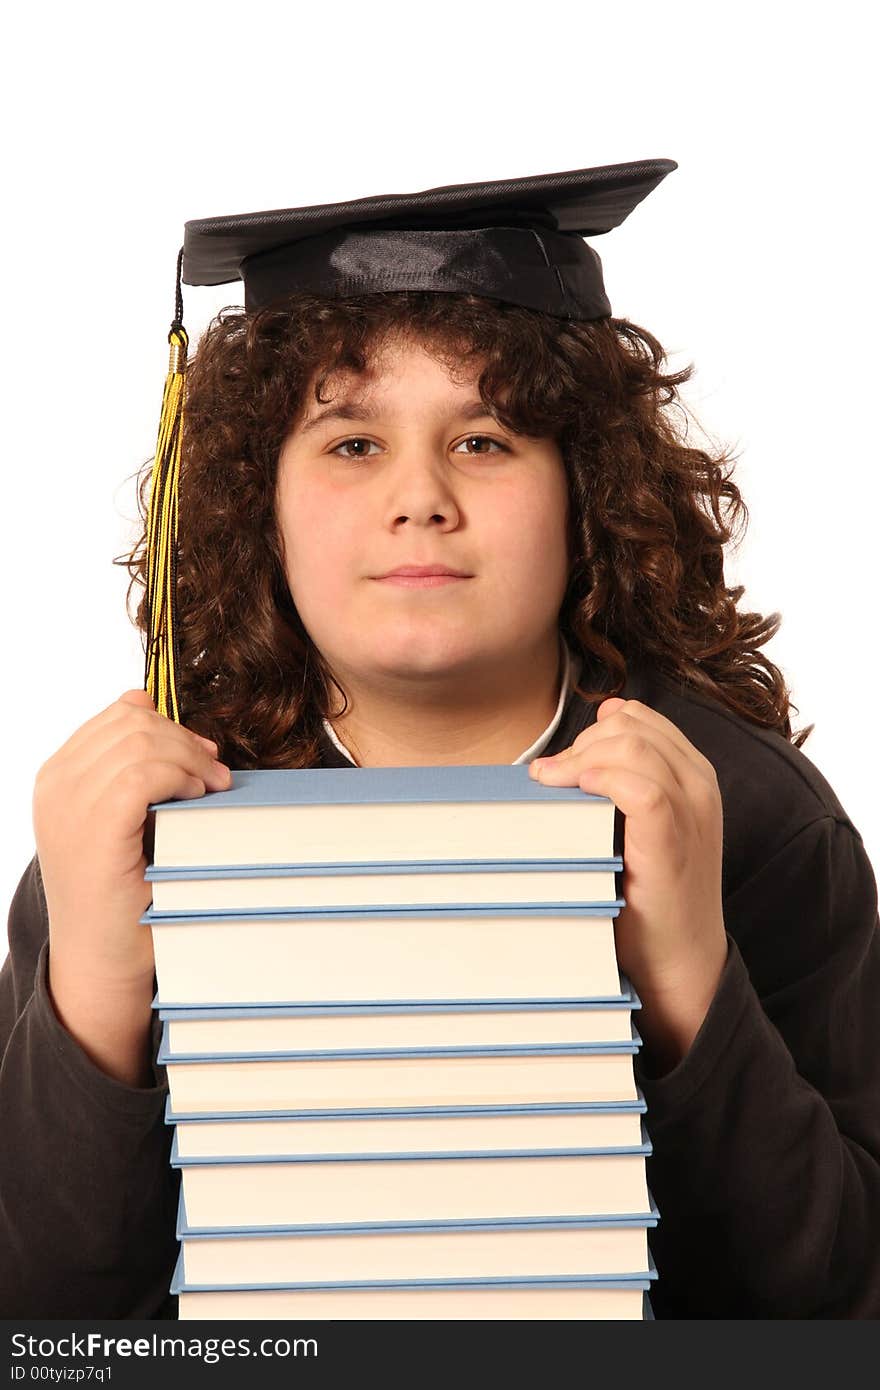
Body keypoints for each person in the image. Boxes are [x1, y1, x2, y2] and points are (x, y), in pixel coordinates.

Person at [2, 161, 878, 1320]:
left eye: (486, 440)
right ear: (254, 501)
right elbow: (52, 1327)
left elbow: (843, 1306)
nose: (419, 499)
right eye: (351, 445)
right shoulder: (134, 832)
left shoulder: (744, 814)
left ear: (587, 492)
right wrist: (98, 990)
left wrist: (691, 982)